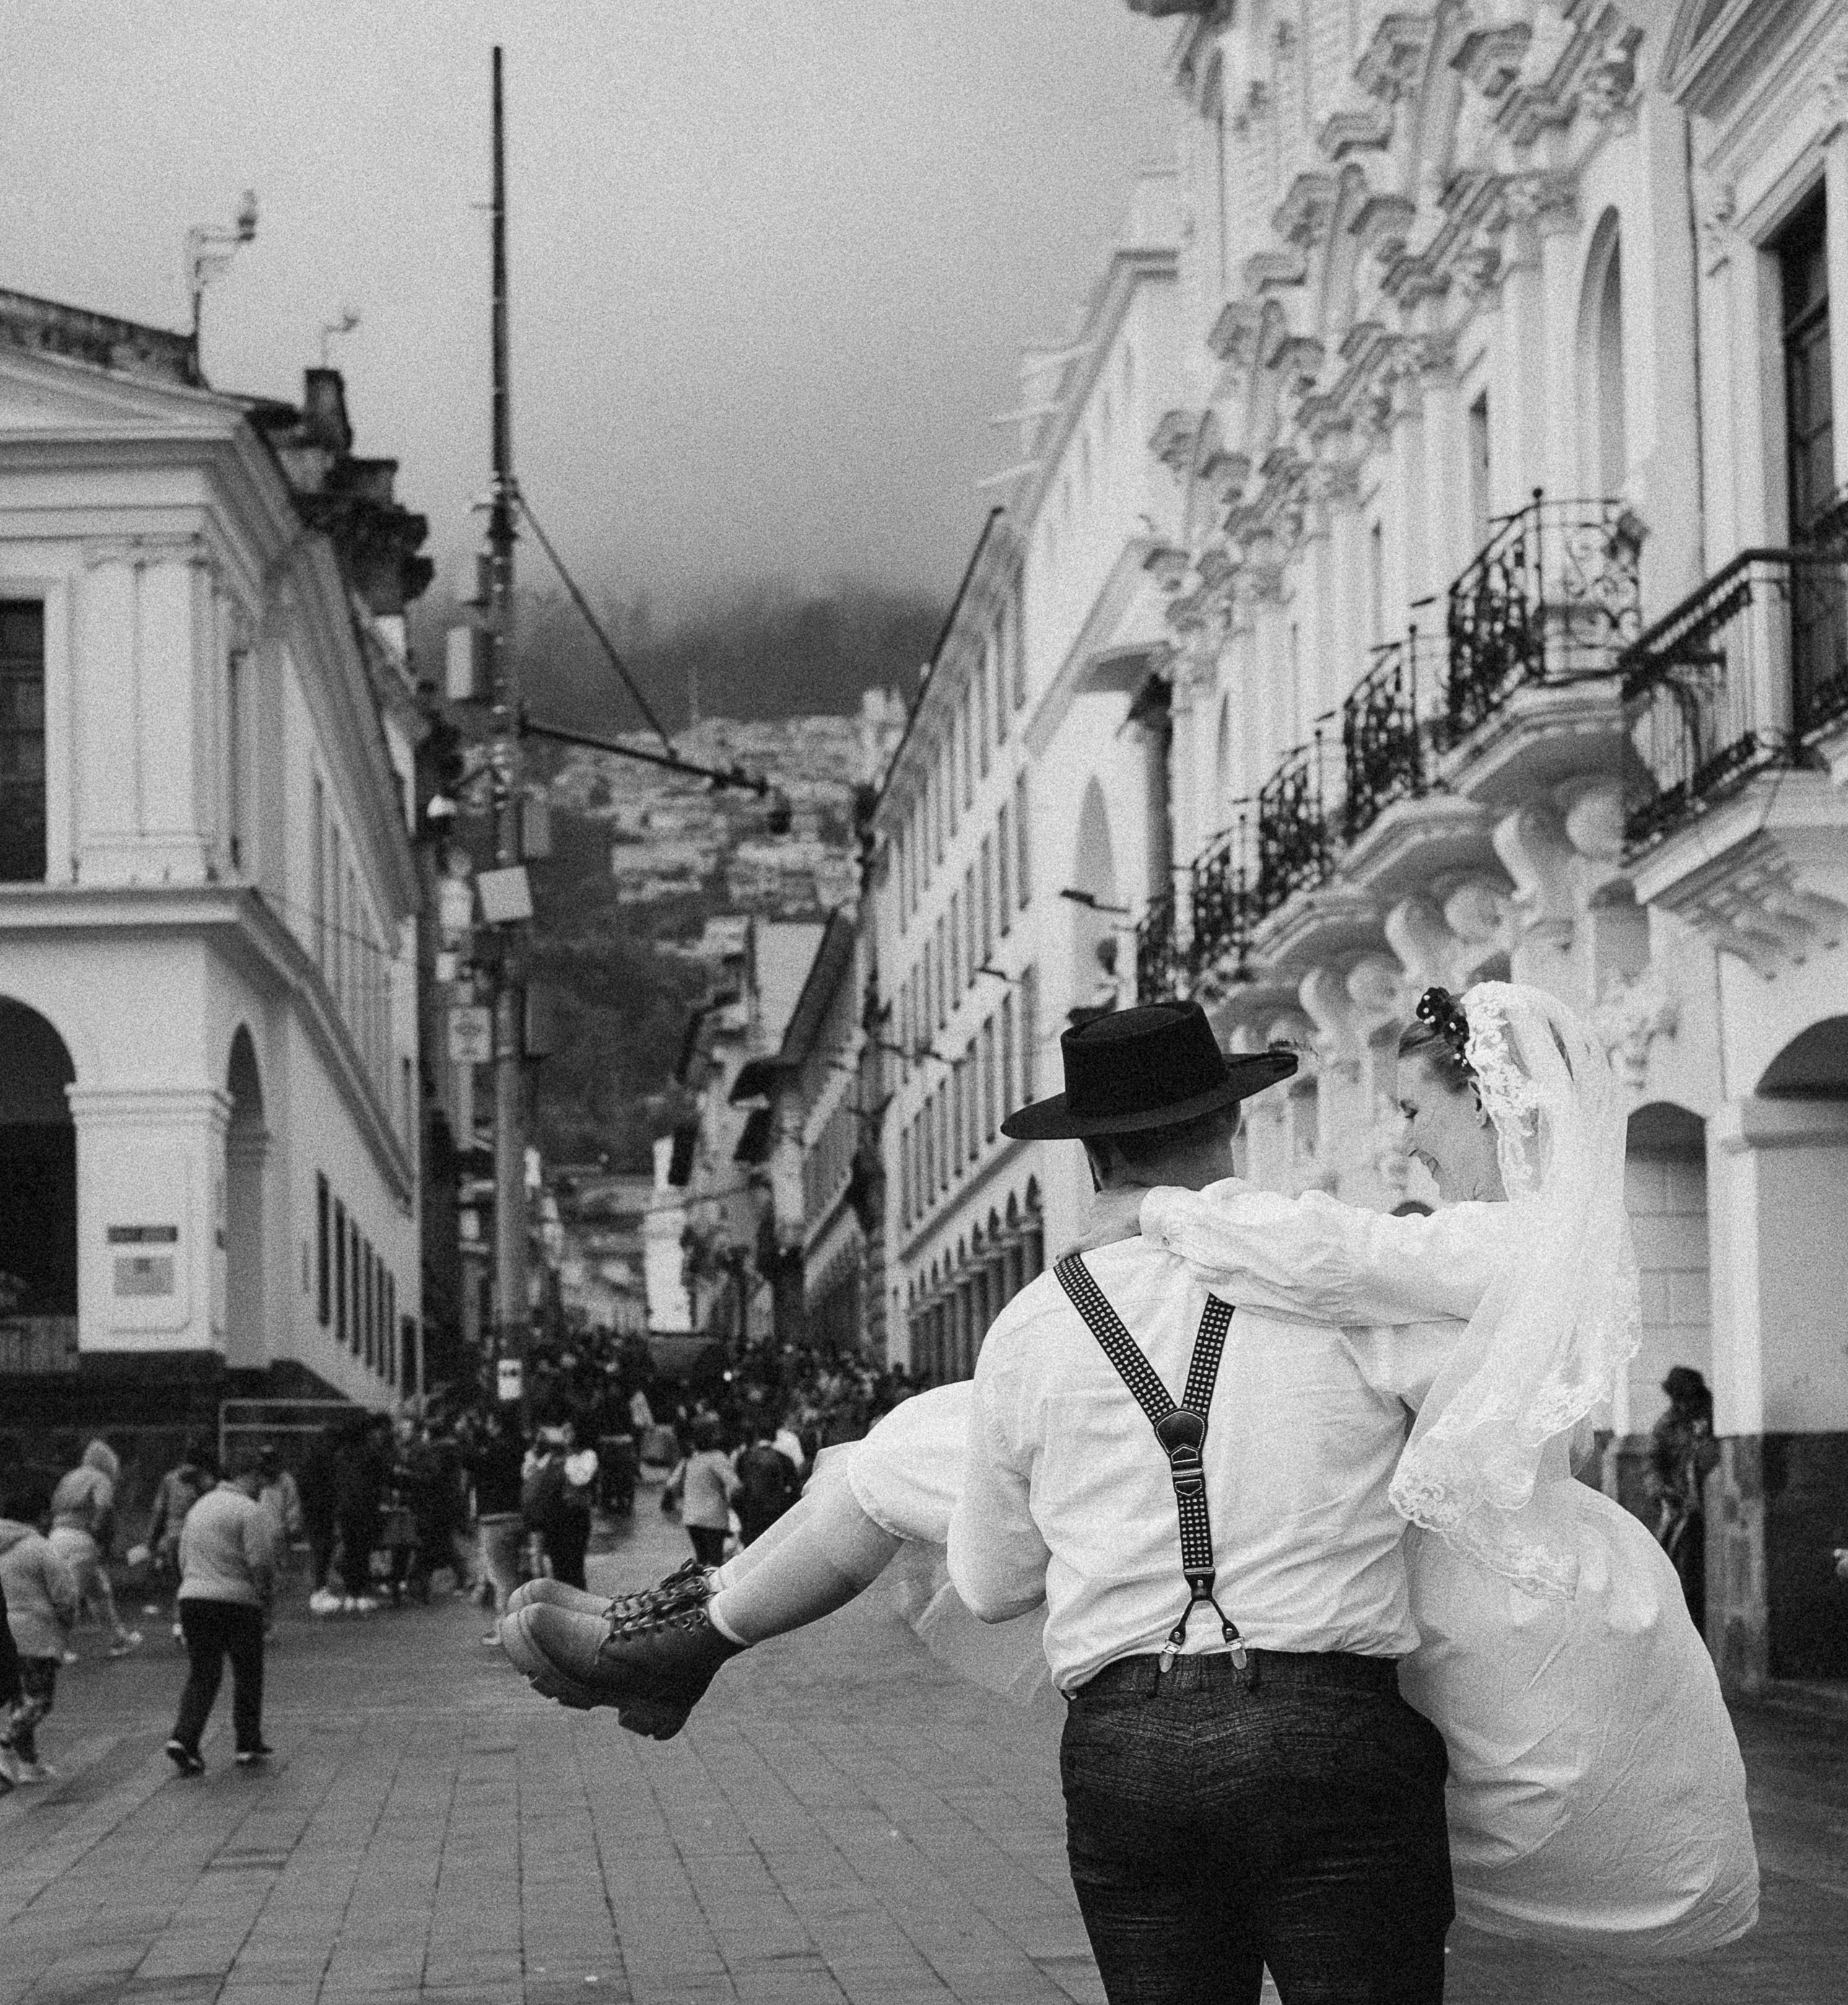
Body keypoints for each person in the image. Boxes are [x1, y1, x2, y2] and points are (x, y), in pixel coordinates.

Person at [507, 984, 1758, 1974]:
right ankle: (686, 1631)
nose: (1401, 1140)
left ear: (1087, 1151)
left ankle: (689, 1633)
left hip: (1135, 1740)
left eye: (1423, 1116)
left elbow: (996, 1583)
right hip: (1336, 1717)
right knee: (888, 1456)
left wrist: (1112, 1525)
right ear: (1230, 1123)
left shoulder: (1057, 1322)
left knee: (893, 1458)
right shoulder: (1352, 1289)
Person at [165, 1449, 277, 1775]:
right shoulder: (250, 1510)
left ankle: (184, 1738)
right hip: (237, 1601)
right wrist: (267, 1600)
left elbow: (183, 1556)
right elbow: (260, 1564)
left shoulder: (199, 1507)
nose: (262, 1486)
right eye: (260, 1478)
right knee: (247, 1672)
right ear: (250, 1476)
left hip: (194, 1598)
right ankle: (247, 1742)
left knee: (203, 1673)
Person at [0, 1476, 79, 1784]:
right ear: (37, 1515)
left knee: (18, 1698)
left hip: (4, 1634)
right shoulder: (38, 1547)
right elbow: (65, 1593)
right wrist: (65, 1622)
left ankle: (29, 1765)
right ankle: (6, 1738)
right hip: (35, 1636)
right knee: (39, 1701)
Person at [48, 1438, 141, 1658]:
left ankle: (119, 1638)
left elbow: (53, 1506)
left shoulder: (70, 1477)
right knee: (72, 1595)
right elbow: (103, 1509)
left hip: (57, 1535)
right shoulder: (101, 1479)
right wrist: (97, 1534)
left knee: (99, 1591)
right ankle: (56, 1647)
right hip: (81, 1539)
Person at [1648, 1366, 1719, 1634]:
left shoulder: (1715, 1416)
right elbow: (1653, 1466)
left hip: (1710, 1508)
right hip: (1681, 1509)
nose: (1685, 1404)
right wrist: (1664, 1493)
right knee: (1679, 1571)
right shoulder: (1667, 1424)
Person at [144, 1441, 215, 1637]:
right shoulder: (205, 1480)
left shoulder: (170, 1478)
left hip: (173, 1536)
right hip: (198, 1534)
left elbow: (159, 1511)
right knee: (199, 1580)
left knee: (180, 1582)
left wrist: (151, 1541)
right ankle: (198, 1623)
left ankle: (179, 1624)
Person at [667, 1417, 738, 1568]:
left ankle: (700, 1586)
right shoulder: (717, 1458)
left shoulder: (689, 1459)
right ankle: (714, 1590)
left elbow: (671, 1483)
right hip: (714, 1519)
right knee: (715, 1562)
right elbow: (735, 1485)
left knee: (701, 1559)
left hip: (691, 1518)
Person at [733, 1425, 801, 1548]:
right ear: (775, 1437)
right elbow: (795, 1489)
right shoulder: (784, 1459)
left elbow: (738, 1487)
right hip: (776, 1513)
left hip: (752, 1514)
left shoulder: (744, 1457)